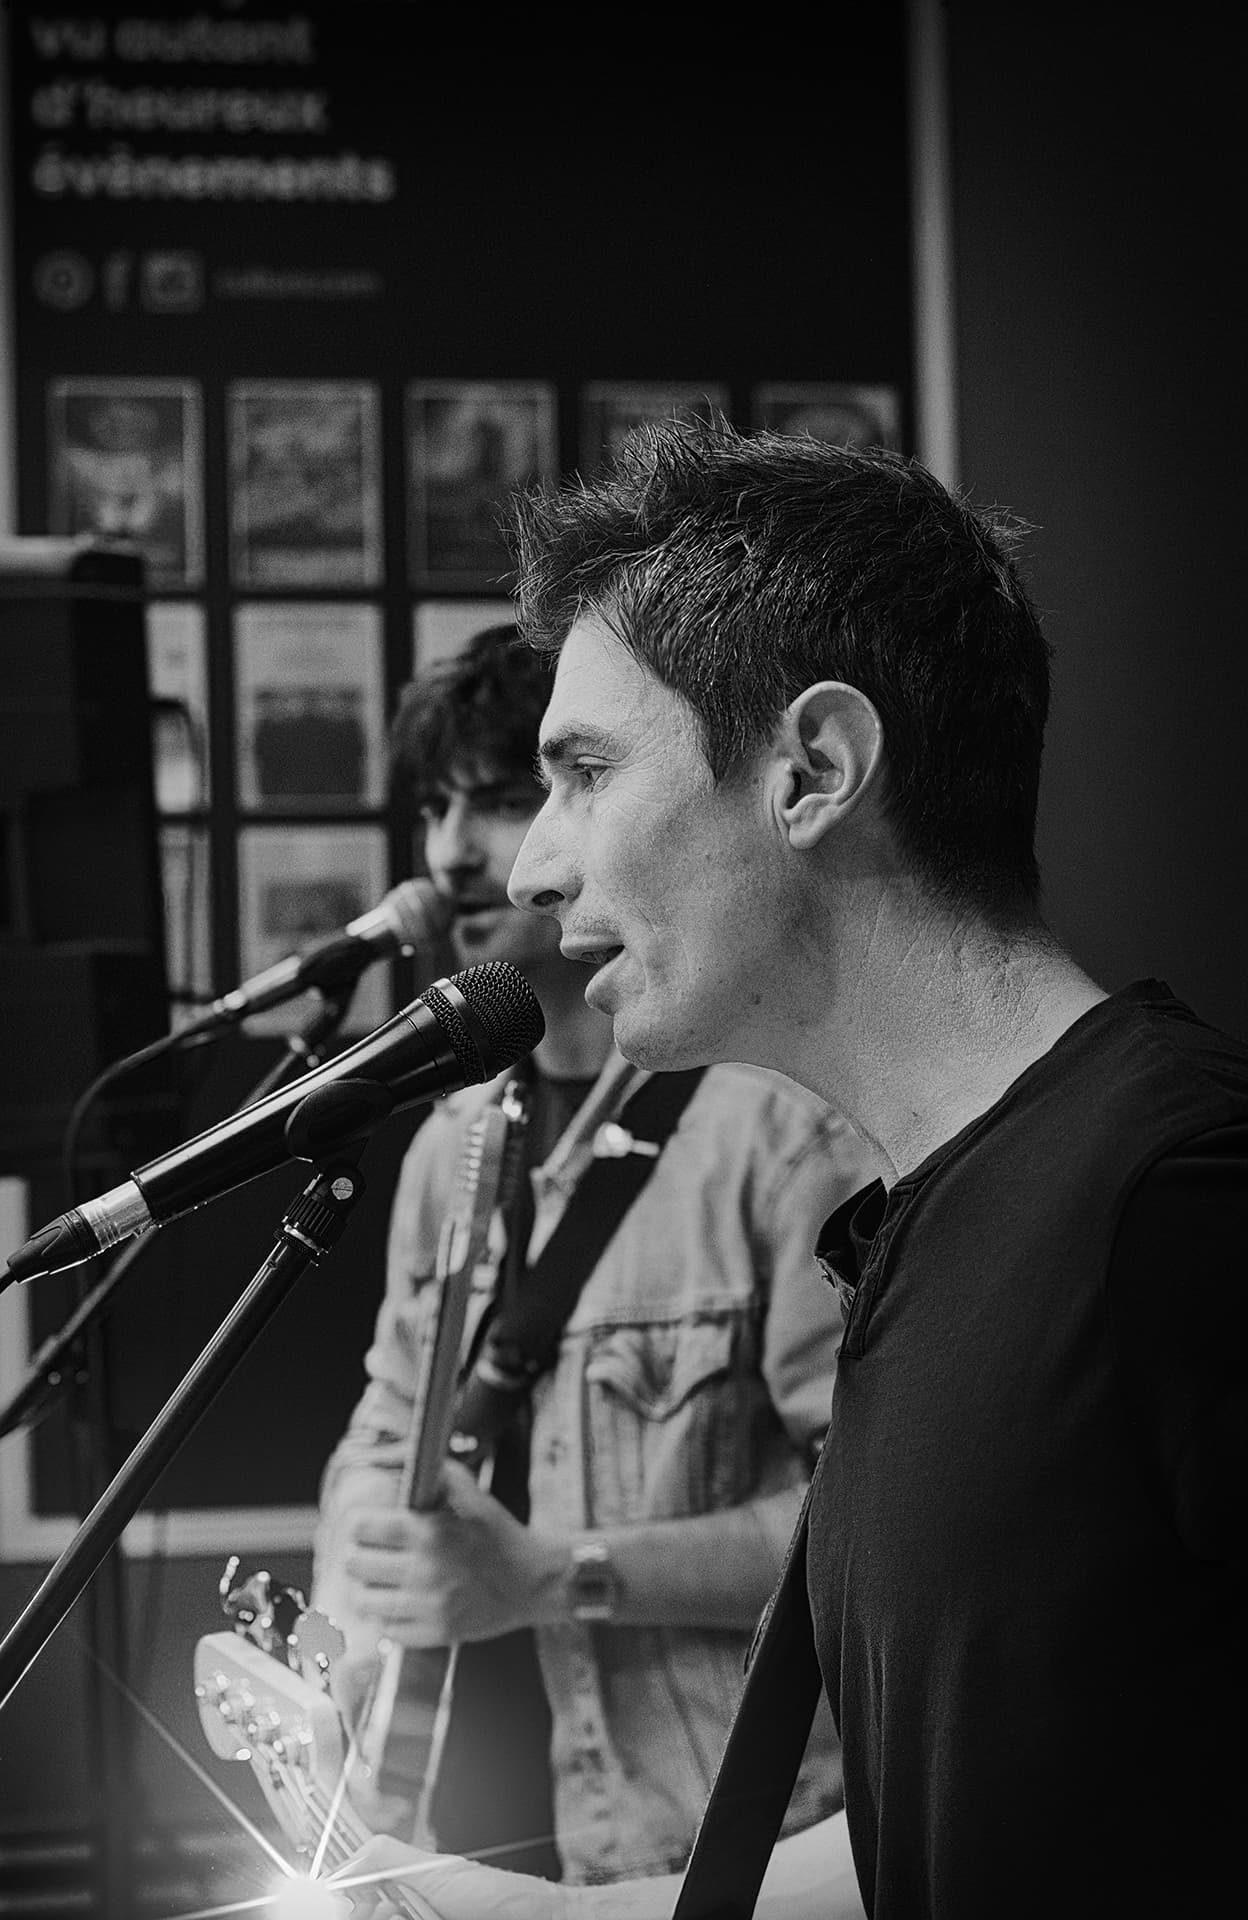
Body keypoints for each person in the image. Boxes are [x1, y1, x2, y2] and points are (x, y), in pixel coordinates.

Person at [332, 423, 1248, 1920]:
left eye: (585, 771)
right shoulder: (913, 1227)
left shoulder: (1181, 1203)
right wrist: (556, 1918)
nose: (530, 870)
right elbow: (935, 1820)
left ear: (815, 768)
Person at [311, 622, 877, 1886]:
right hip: (461, 1822)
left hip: (707, 1847)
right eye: (436, 807)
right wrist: (352, 1594)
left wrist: (550, 1578)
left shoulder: (779, 1137)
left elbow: (865, 1534)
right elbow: (384, 1423)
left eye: (503, 799)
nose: (457, 853)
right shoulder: (451, 1140)